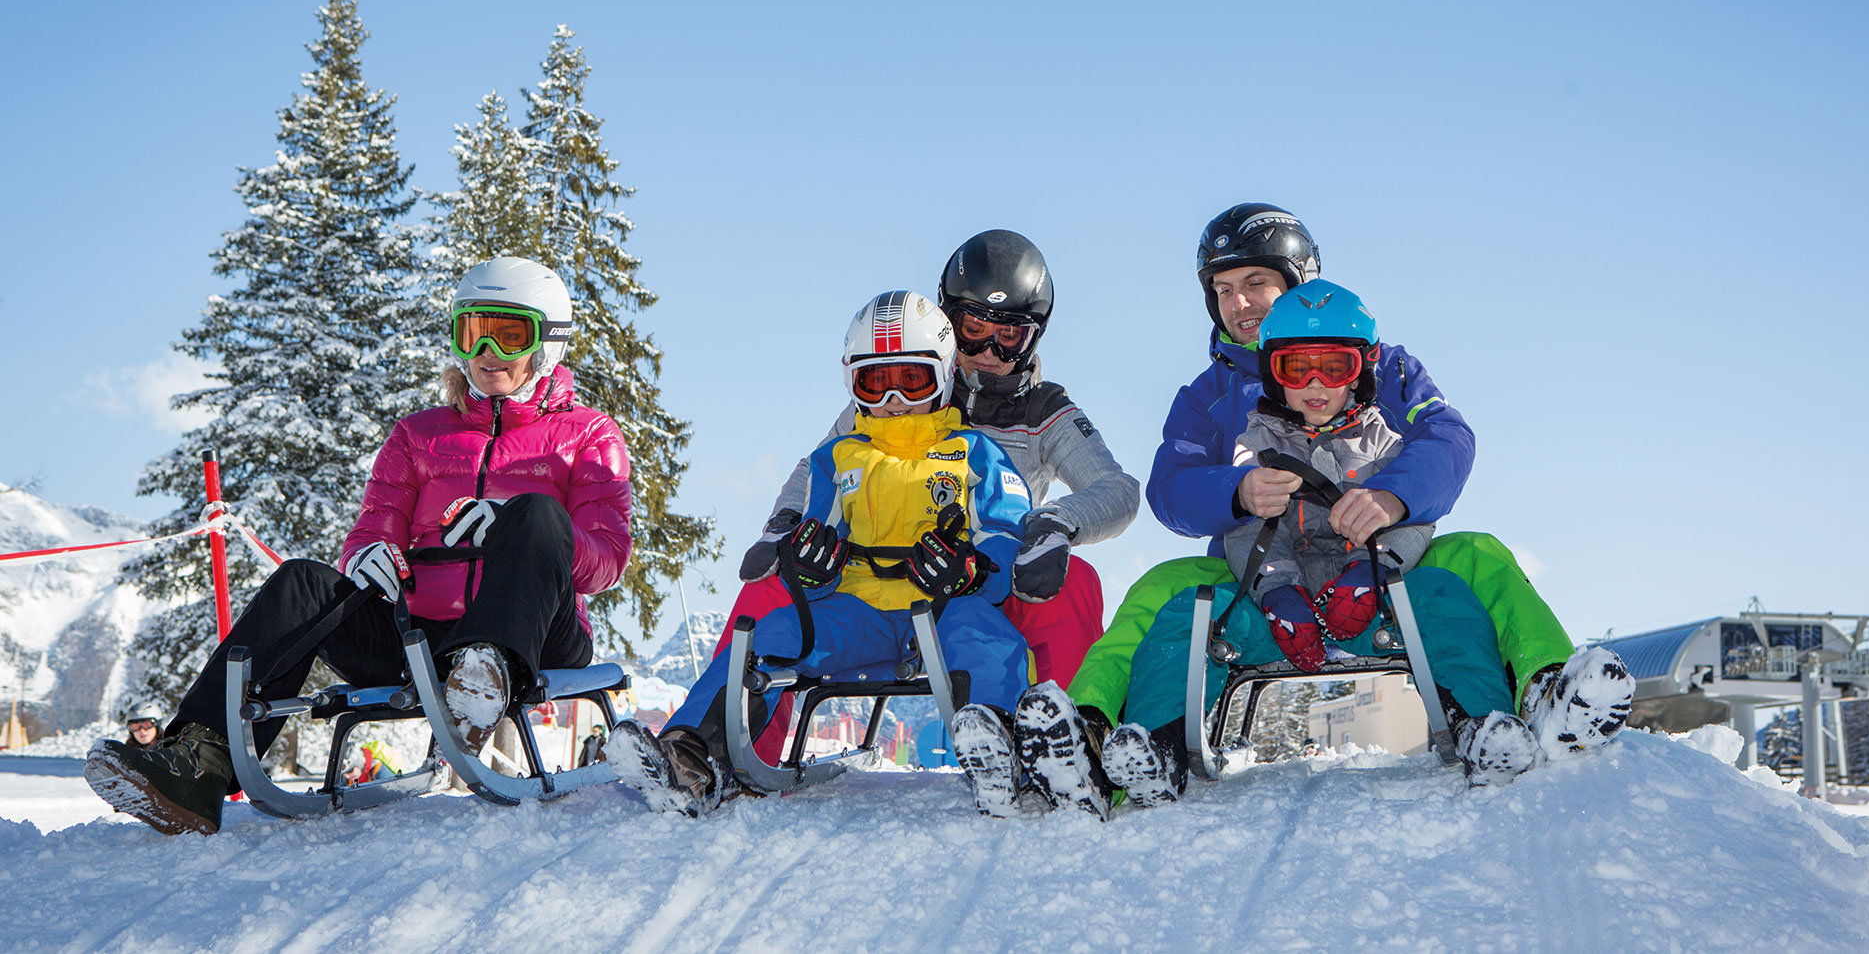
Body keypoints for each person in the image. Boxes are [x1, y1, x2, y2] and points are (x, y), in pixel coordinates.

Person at [1050, 204, 1628, 809]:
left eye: (1256, 284)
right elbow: (1171, 485)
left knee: (1480, 557)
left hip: (1386, 568)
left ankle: (1547, 692)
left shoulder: (1384, 367)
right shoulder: (1209, 393)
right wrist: (1237, 492)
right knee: (1160, 590)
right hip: (1259, 577)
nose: (1239, 304)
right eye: (1223, 290)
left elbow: (1448, 439)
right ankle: (1096, 733)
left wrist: (1390, 496)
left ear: (1301, 283)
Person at [83, 256, 635, 835]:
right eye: (472, 333)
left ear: (547, 342)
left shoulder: (588, 435)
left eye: (509, 333)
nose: (487, 352)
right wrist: (366, 555)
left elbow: (607, 559)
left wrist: (516, 526)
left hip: (537, 639)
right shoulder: (419, 435)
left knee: (538, 514)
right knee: (302, 583)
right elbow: (375, 526)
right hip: (420, 640)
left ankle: (484, 673)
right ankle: (196, 764)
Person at [712, 230, 1139, 763]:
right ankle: (726, 747)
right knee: (772, 585)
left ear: (1035, 337)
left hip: (981, 583)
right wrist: (785, 525)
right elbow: (816, 465)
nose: (986, 352)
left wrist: (1052, 525)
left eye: (1008, 337)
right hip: (873, 582)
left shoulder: (1045, 413)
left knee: (1073, 582)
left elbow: (1117, 490)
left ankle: (1065, 741)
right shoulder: (904, 389)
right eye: (973, 330)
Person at [606, 291, 1035, 817]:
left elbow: (1006, 531)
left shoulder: (976, 454)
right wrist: (811, 567)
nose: (893, 399)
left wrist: (974, 569)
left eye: (911, 380)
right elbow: (814, 532)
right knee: (776, 635)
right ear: (852, 383)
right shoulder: (835, 458)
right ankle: (691, 753)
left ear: (944, 376)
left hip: (944, 605)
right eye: (874, 383)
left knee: (984, 636)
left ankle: (1001, 746)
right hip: (860, 612)